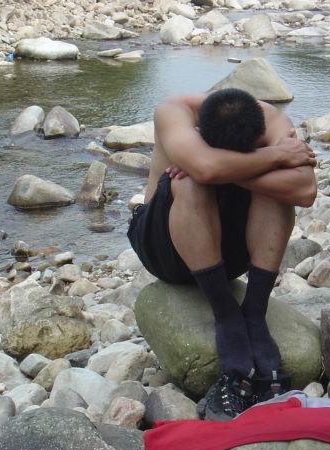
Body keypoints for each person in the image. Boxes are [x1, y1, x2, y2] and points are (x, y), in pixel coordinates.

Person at [127, 88, 317, 420]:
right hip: (163, 247)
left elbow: (305, 189)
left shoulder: (272, 120)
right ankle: (227, 317)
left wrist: (225, 170)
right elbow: (204, 169)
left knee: (277, 193)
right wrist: (274, 157)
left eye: (249, 151)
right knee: (189, 182)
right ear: (200, 130)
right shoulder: (174, 112)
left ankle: (254, 315)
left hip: (225, 248)